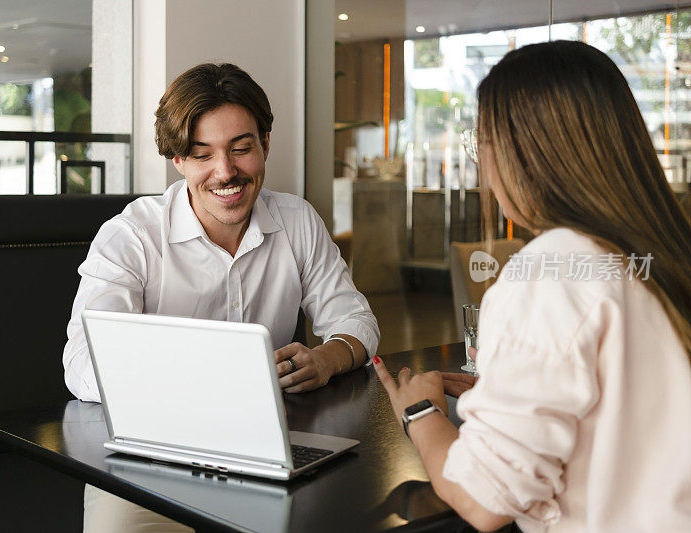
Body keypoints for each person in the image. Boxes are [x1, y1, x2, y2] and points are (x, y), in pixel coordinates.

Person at [376, 40, 691, 532]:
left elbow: (485, 501)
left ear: (523, 154)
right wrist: (512, 387)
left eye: (480, 142)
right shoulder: (663, 253)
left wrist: (420, 411)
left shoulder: (549, 271)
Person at [63, 62, 379, 532]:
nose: (225, 171)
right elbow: (84, 364)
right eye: (202, 154)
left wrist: (328, 359)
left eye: (241, 149)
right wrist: (200, 379)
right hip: (148, 462)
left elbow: (356, 320)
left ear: (266, 144)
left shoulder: (297, 221)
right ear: (178, 161)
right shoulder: (131, 236)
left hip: (268, 450)